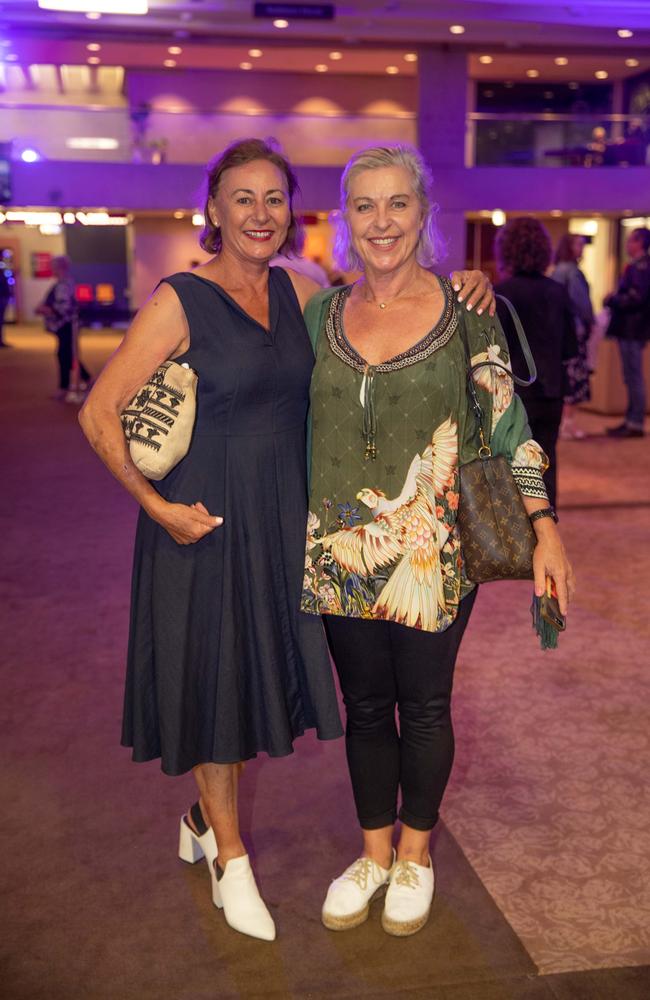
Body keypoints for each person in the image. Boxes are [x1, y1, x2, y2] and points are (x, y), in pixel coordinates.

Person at [78, 135, 500, 942]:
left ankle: (205, 824)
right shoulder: (179, 298)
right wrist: (157, 508)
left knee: (254, 682)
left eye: (275, 198)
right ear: (213, 210)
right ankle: (229, 859)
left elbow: (382, 303)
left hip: (283, 522)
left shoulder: (302, 292)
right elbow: (100, 413)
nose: (261, 213)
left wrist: (466, 281)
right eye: (243, 198)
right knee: (215, 690)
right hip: (200, 527)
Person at [299, 144, 574, 938]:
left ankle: (415, 853)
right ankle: (374, 854)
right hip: (339, 545)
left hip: (431, 552)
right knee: (364, 708)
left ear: (424, 213)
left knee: (421, 705)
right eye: (364, 206)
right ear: (345, 219)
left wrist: (544, 528)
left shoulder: (469, 315)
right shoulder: (321, 313)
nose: (381, 221)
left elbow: (512, 425)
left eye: (397, 204)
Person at [494, 217, 578, 508]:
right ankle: (548, 529)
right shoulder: (557, 291)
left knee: (514, 467)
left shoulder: (502, 293)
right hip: (552, 390)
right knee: (547, 463)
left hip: (514, 394)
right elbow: (570, 347)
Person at [604, 227, 650, 438]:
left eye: (631, 240)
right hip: (632, 329)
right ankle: (632, 419)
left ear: (640, 243)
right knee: (630, 376)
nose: (627, 244)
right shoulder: (638, 266)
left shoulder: (640, 267)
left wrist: (612, 300)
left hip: (632, 329)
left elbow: (637, 297)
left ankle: (636, 422)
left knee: (634, 376)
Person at [551, 233, 594, 439]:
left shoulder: (557, 271)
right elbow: (582, 304)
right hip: (575, 329)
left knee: (566, 374)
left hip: (560, 330)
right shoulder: (572, 272)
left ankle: (565, 423)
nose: (582, 248)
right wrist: (590, 322)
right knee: (574, 376)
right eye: (578, 244)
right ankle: (567, 424)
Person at [36, 255, 92, 400]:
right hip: (66, 324)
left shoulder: (64, 284)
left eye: (53, 266)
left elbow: (64, 307)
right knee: (69, 354)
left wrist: (45, 309)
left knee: (64, 355)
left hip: (67, 325)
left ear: (59, 267)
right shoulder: (63, 282)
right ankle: (87, 379)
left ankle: (64, 387)